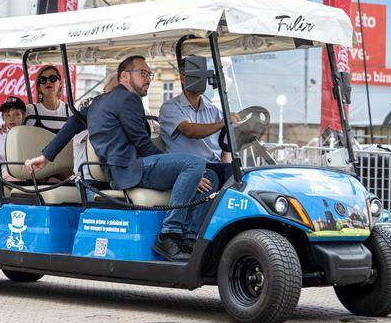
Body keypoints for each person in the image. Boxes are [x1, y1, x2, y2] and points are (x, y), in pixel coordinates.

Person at [26, 56, 211, 262]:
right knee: (194, 164)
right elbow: (143, 145)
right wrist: (178, 168)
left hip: (120, 169)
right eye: (143, 73)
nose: (148, 79)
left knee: (206, 175)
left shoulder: (99, 101)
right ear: (125, 76)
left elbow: (72, 124)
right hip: (128, 170)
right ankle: (170, 235)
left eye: (149, 74)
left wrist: (46, 156)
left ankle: (189, 238)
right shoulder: (128, 99)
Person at [159, 58, 238, 191]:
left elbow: (226, 143)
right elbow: (189, 130)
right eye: (196, 76)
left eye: (203, 76)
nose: (201, 80)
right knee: (213, 180)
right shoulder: (170, 107)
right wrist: (222, 123)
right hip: (188, 168)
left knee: (239, 174)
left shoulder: (213, 110)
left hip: (215, 166)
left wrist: (226, 165)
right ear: (182, 78)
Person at [25, 65, 70, 133]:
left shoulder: (69, 110)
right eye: (43, 80)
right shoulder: (30, 110)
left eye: (52, 78)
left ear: (60, 83)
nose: (48, 82)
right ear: (39, 86)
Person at [0, 96, 26, 180]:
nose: (12, 118)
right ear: (3, 117)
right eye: (7, 115)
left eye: (16, 114)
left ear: (23, 116)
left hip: (27, 171)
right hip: (6, 172)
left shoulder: (29, 134)